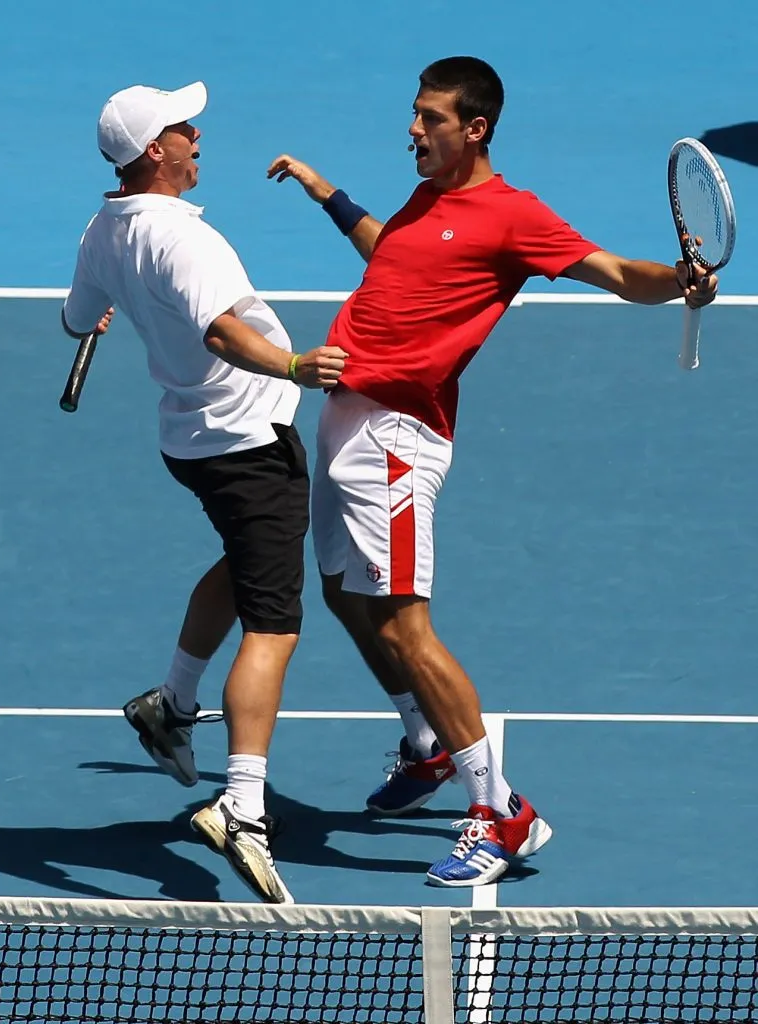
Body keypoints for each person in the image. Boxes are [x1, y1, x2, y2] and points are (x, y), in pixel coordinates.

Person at [267, 55, 717, 887]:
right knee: (341, 592)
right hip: (343, 419)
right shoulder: (428, 198)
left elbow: (616, 273)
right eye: (414, 112)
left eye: (429, 118)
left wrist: (680, 282)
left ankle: (502, 813)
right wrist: (326, 192)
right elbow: (393, 254)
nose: (412, 128)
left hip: (399, 439)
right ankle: (427, 745)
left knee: (404, 622)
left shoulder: (512, 217)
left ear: (473, 128)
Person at [61, 81, 348, 903]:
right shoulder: (189, 243)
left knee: (248, 559)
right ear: (156, 150)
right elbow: (221, 331)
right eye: (184, 129)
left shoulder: (101, 232)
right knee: (275, 628)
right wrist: (296, 366)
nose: (196, 137)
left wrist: (114, 307)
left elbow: (77, 319)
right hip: (247, 442)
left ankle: (171, 704)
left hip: (190, 443)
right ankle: (243, 807)